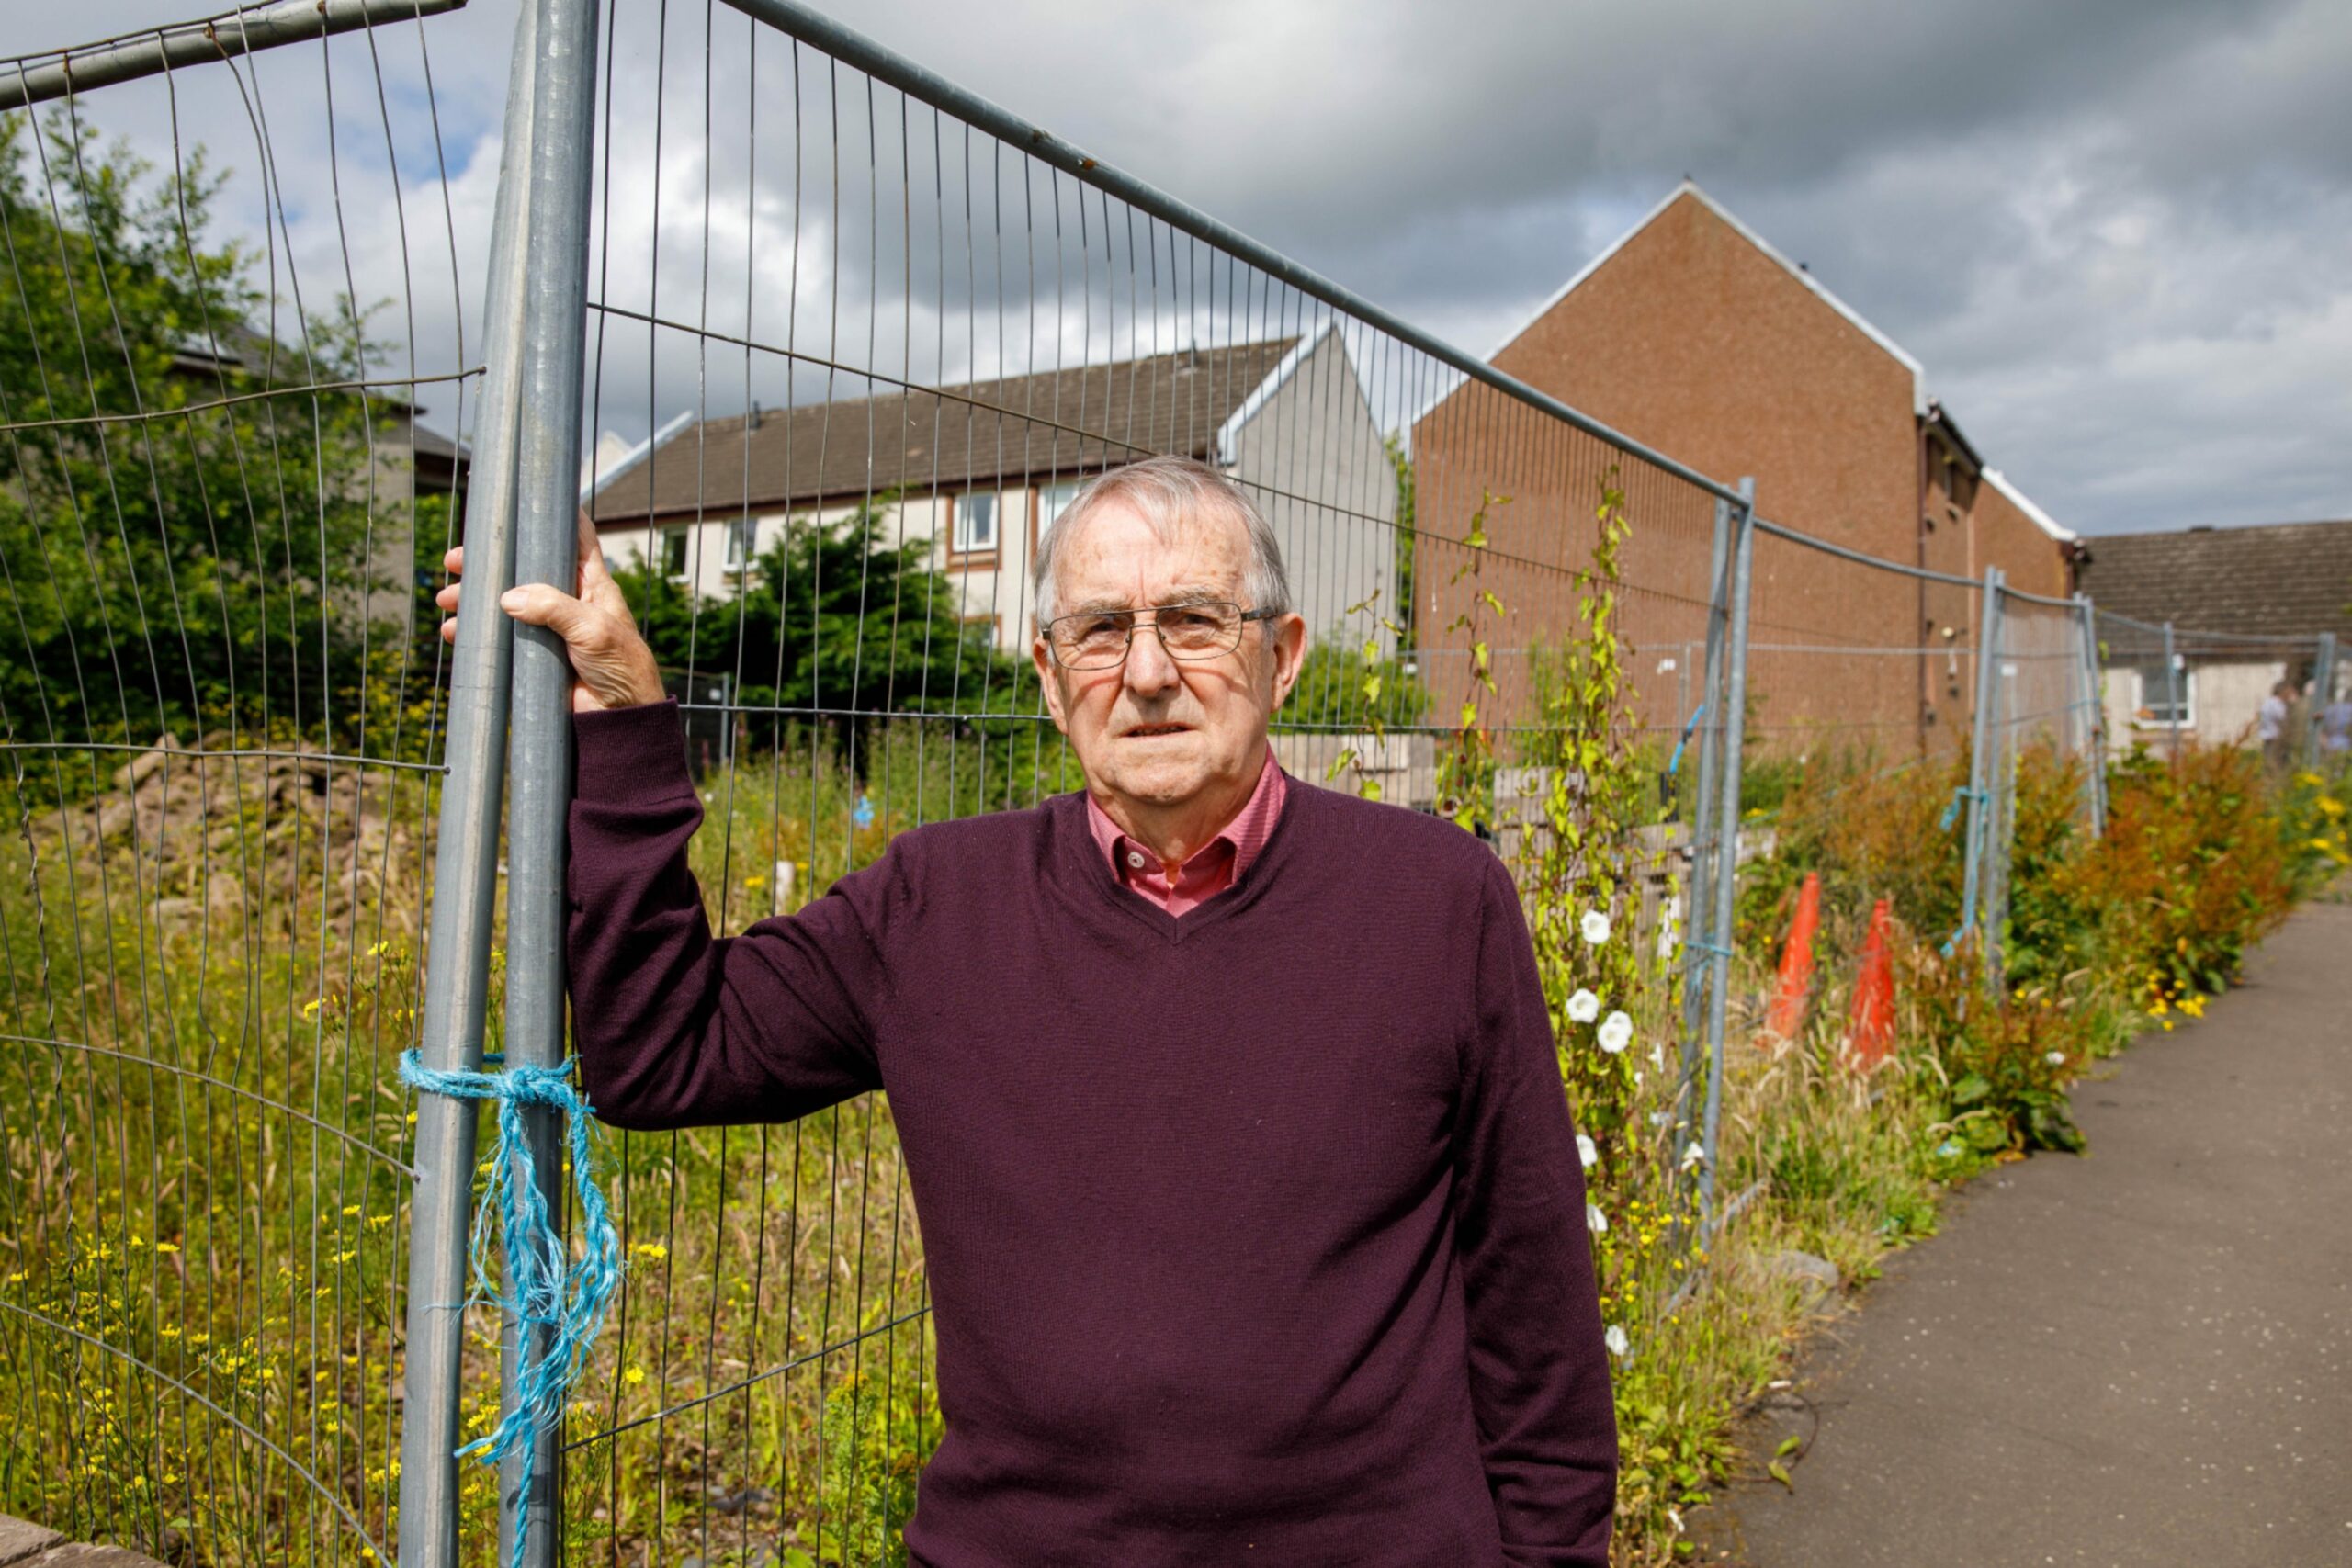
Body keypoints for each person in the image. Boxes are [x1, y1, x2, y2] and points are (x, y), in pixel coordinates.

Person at [436, 454, 1617, 1565]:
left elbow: (1536, 1313)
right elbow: (664, 1055)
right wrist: (631, 720)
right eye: (1100, 631)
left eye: (1195, 621)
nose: (1147, 673)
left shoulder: (1435, 900)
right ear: (1049, 679)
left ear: (1283, 656)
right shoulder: (933, 906)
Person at [2258, 678, 2294, 775]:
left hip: (2268, 736)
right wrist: (2292, 704)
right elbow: (2284, 720)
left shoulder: (2268, 702)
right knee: (2274, 764)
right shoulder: (2277, 704)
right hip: (2275, 738)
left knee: (2268, 761)